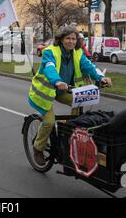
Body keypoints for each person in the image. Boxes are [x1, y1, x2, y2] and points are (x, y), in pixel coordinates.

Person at [28, 25, 112, 166]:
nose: (71, 42)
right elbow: (49, 67)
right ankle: (38, 148)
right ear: (60, 39)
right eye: (68, 38)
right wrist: (57, 81)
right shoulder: (50, 52)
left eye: (73, 39)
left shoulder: (78, 53)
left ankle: (67, 133)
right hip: (45, 92)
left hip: (63, 91)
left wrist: (100, 78)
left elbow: (89, 66)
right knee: (49, 121)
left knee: (81, 103)